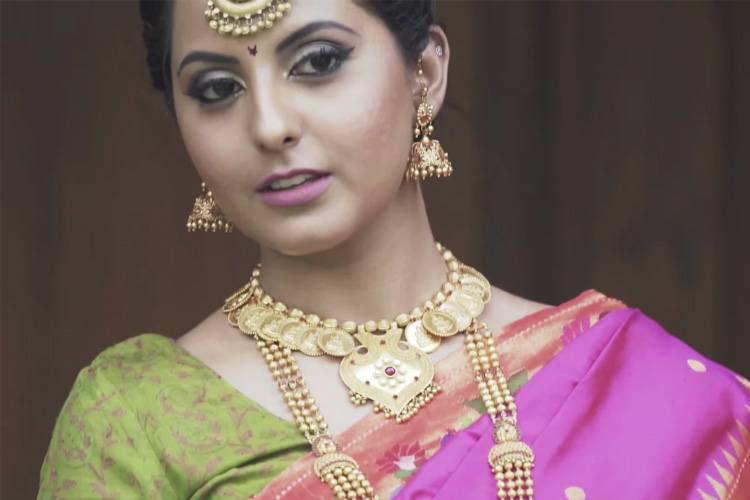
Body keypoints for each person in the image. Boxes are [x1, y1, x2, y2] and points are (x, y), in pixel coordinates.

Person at [38, 1, 750, 498]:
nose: (270, 123)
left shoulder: (633, 385)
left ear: (426, 74)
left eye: (317, 61)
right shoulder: (135, 420)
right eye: (217, 89)